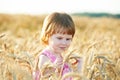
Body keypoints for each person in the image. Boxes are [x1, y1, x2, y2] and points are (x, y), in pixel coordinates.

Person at [33, 12, 76, 80]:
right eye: (59, 38)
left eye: (68, 39)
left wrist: (79, 65)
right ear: (47, 36)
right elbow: (44, 76)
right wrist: (54, 68)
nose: (64, 43)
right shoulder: (44, 57)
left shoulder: (62, 56)